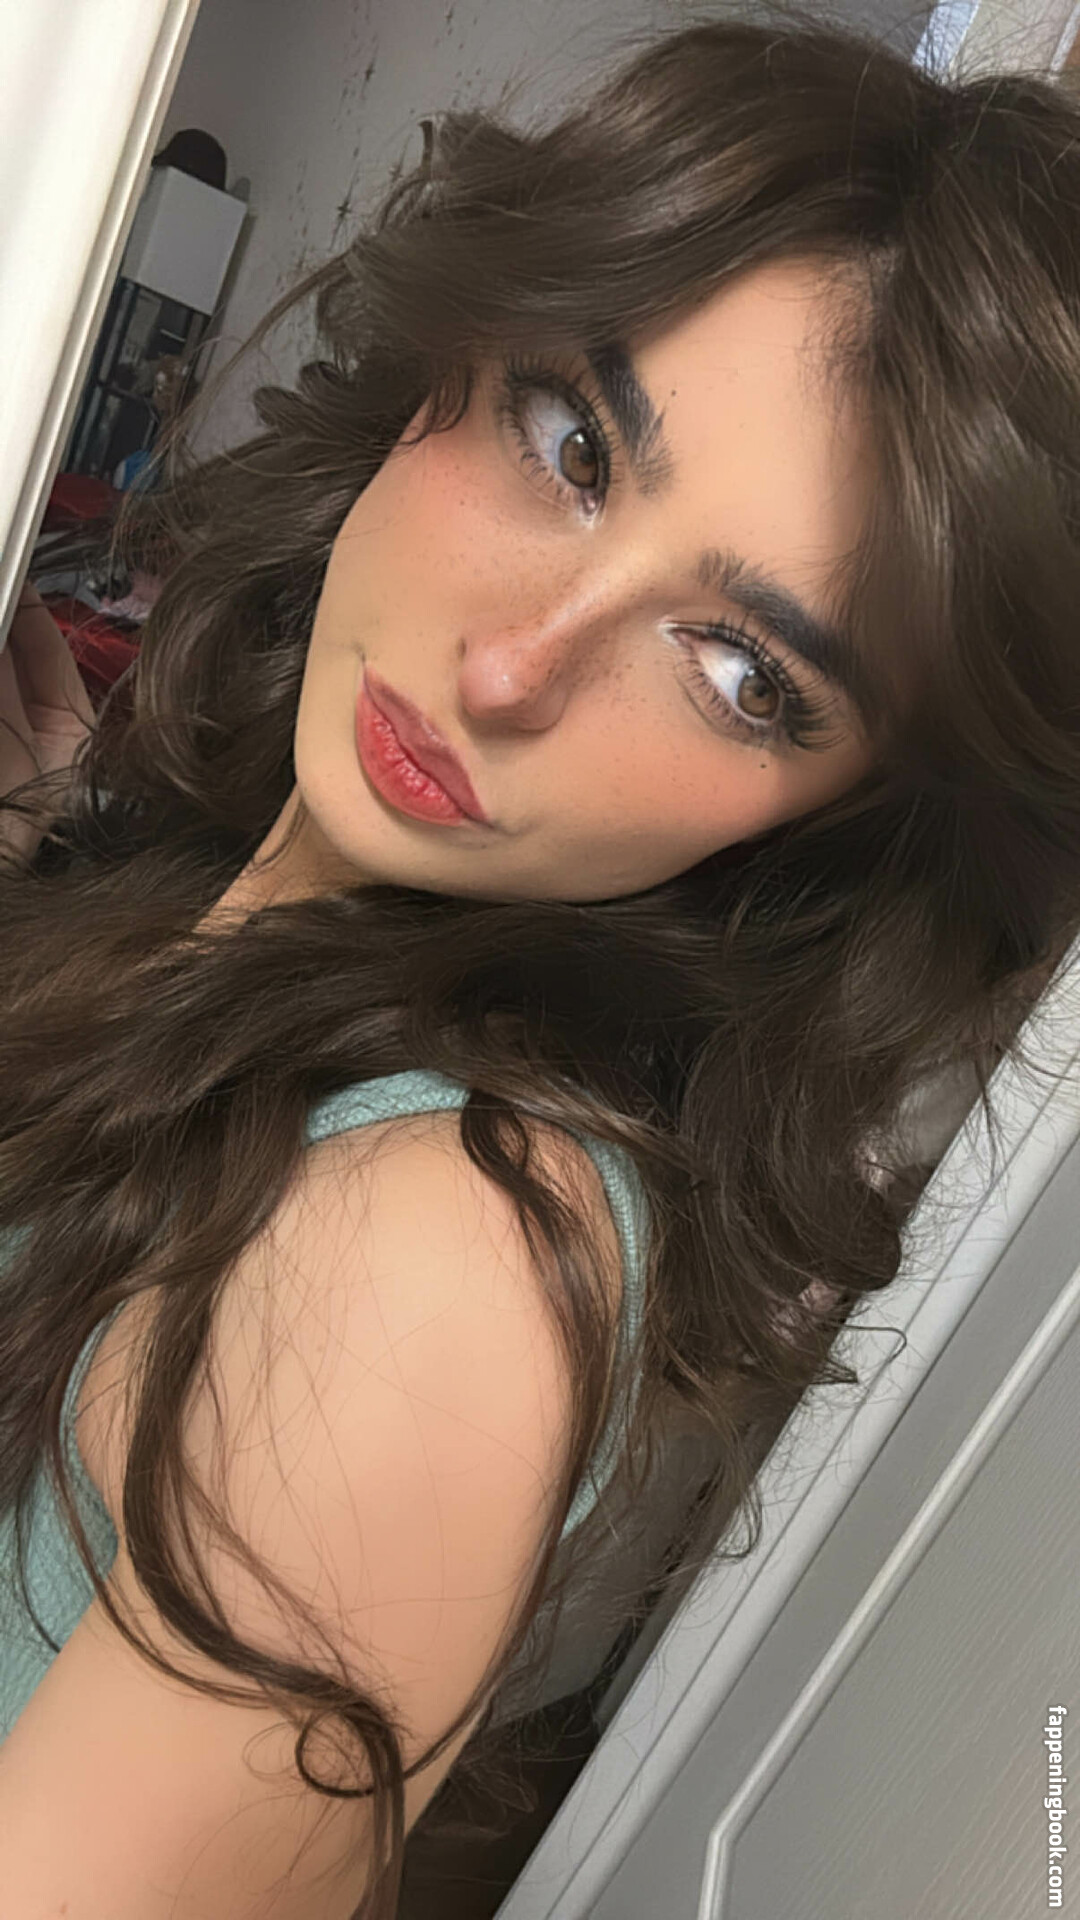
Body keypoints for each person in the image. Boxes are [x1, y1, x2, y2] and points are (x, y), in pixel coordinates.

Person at [2, 11, 1080, 1917]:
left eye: (745, 671)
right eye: (575, 443)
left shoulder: (440, 1266)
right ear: (462, 350)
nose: (512, 668)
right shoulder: (254, 903)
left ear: (837, 817)